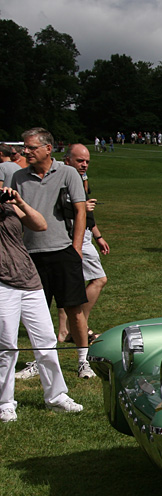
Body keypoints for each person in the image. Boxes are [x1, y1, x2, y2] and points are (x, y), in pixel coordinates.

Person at [8, 127, 95, 380]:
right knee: (37, 314)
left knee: (74, 309)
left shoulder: (67, 173)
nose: (26, 151)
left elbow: (81, 211)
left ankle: (83, 360)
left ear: (48, 148)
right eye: (25, 147)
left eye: (31, 147)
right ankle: (40, 359)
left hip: (63, 251)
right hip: (31, 255)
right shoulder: (18, 177)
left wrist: (76, 249)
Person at [0, 187, 84, 422]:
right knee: (7, 345)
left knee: (46, 339)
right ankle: (5, 403)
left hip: (28, 279)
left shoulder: (8, 206)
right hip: (3, 284)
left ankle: (57, 396)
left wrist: (19, 202)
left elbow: (40, 224)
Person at [58, 144, 109, 345]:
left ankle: (67, 329)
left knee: (69, 285)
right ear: (67, 159)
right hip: (71, 236)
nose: (84, 165)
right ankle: (78, 326)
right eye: (80, 161)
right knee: (99, 279)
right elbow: (55, 209)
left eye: (87, 161)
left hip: (84, 234)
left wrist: (98, 236)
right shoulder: (61, 178)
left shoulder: (80, 179)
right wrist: (78, 208)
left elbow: (87, 213)